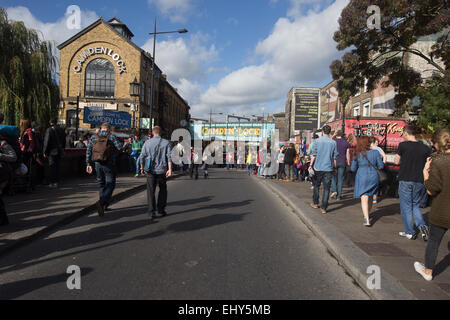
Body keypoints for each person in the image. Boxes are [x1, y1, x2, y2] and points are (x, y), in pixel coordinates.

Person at [414, 129, 450, 281]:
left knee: (434, 241)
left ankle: (428, 271)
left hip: (442, 209)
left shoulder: (439, 161)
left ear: (436, 143)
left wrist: (425, 172)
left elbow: (431, 189)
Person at [395, 125, 432, 241]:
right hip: (419, 180)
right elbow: (429, 164)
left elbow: (396, 161)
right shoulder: (425, 148)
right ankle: (422, 226)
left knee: (406, 206)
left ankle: (409, 231)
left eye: (403, 134)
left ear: (406, 133)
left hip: (406, 178)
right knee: (415, 205)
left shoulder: (403, 145)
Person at [86, 123, 123, 216]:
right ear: (109, 129)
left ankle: (103, 206)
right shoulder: (112, 136)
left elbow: (89, 150)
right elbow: (120, 147)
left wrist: (88, 163)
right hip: (109, 163)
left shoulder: (94, 137)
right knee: (110, 184)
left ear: (101, 128)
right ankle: (102, 203)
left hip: (97, 163)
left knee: (101, 184)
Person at [140, 126, 172, 221]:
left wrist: (142, 168)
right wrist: (169, 169)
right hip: (162, 170)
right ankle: (161, 210)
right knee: (162, 190)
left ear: (153, 133)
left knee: (150, 191)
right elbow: (169, 157)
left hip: (150, 170)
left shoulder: (147, 142)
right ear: (160, 133)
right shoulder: (166, 143)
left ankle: (151, 212)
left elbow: (142, 156)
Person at [350, 136, 384, 227]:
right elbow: (381, 166)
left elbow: (353, 169)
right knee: (370, 195)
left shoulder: (357, 153)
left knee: (364, 197)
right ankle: (367, 213)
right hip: (373, 176)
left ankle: (366, 218)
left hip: (362, 176)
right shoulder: (376, 152)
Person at [310, 125, 338, 214]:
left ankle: (315, 203)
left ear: (322, 131)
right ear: (330, 132)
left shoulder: (317, 141)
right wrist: (334, 167)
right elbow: (334, 157)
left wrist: (310, 164)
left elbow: (314, 154)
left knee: (316, 186)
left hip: (318, 167)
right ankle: (324, 207)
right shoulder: (333, 142)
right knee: (326, 188)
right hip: (328, 168)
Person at [43, 119, 66, 188]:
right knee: (58, 166)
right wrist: (63, 148)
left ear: (50, 123)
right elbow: (64, 140)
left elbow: (47, 141)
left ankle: (52, 182)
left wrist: (44, 151)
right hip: (59, 150)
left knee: (52, 166)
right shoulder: (61, 129)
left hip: (52, 151)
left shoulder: (49, 130)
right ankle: (57, 182)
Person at [0, 135, 17, 226]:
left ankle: (3, 220)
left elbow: (13, 157)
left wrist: (1, 155)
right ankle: (3, 220)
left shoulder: (3, 144)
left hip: (2, 175)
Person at [331, 130, 351, 200]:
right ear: (342, 135)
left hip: (334, 161)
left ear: (336, 135)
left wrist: (333, 135)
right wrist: (348, 162)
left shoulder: (333, 141)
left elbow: (329, 139)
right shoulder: (346, 142)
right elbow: (347, 154)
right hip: (342, 162)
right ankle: (338, 196)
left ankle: (334, 190)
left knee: (333, 177)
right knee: (340, 179)